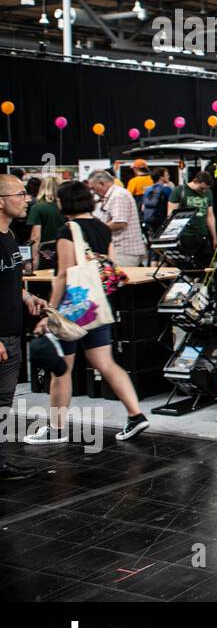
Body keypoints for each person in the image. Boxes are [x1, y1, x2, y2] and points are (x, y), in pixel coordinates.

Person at [25, 180, 150, 445]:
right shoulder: (102, 228)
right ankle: (135, 414)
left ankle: (57, 428)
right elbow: (111, 266)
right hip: (97, 306)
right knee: (106, 363)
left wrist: (51, 311)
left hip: (73, 308)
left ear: (65, 202)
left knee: (62, 370)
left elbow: (63, 276)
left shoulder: (68, 230)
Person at [0, 175, 48, 480]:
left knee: (4, 402)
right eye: (19, 194)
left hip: (12, 334)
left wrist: (28, 296)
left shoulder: (8, 236)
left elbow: (10, 284)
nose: (26, 198)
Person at [87, 169, 147, 268]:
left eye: (93, 188)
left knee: (119, 281)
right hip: (119, 250)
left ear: (102, 184)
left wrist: (96, 229)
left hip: (124, 252)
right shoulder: (113, 195)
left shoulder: (118, 195)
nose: (93, 192)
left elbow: (119, 223)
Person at [168, 170, 217, 263]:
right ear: (195, 181)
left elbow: (210, 216)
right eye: (201, 188)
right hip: (186, 235)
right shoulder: (180, 190)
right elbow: (171, 215)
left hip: (202, 234)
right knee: (188, 264)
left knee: (206, 263)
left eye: (205, 189)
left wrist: (214, 237)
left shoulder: (208, 193)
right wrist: (173, 236)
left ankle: (199, 278)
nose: (203, 191)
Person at [26, 176, 64, 270]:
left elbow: (35, 236)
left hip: (46, 251)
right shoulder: (66, 207)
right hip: (65, 248)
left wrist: (32, 259)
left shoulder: (37, 208)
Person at [139, 168, 173, 238]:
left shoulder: (148, 190)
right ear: (161, 177)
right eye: (166, 174)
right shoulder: (167, 189)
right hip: (162, 222)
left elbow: (143, 208)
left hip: (150, 221)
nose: (169, 176)